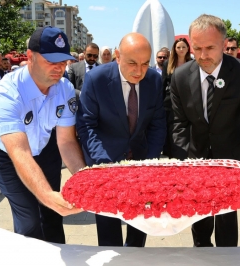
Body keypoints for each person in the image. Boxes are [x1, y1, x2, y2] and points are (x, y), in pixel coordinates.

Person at [171, 14, 240, 247]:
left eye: (210, 48)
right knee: (200, 220)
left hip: (230, 162)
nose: (203, 56)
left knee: (226, 222)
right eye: (197, 48)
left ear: (225, 45)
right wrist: (184, 164)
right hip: (196, 161)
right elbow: (179, 124)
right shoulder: (181, 77)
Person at [0, 26, 86, 243]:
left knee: (53, 214)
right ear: (30, 56)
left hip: (45, 147)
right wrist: (45, 195)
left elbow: (66, 141)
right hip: (7, 155)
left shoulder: (65, 89)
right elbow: (19, 152)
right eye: (51, 60)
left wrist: (87, 181)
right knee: (29, 218)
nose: (59, 67)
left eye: (63, 61)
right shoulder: (6, 93)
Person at [76, 32, 166, 247]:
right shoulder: (96, 79)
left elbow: (157, 124)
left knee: (139, 227)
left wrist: (149, 162)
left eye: (145, 63)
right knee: (108, 230)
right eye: (132, 63)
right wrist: (105, 164)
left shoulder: (153, 79)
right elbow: (86, 125)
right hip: (105, 162)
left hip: (141, 162)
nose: (139, 71)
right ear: (117, 56)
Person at [162, 37, 192, 158]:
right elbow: (163, 83)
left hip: (188, 100)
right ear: (174, 49)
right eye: (178, 47)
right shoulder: (167, 63)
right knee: (171, 128)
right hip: (170, 102)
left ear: (188, 49)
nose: (181, 49)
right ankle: (170, 153)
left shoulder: (192, 63)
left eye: (183, 47)